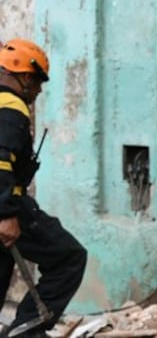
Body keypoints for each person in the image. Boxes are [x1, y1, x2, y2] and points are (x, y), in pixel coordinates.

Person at [0, 39, 87, 335]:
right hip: (7, 205)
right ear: (25, 76)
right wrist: (6, 214)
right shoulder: (12, 106)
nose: (38, 91)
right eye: (38, 82)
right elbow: (0, 160)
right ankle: (27, 328)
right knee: (68, 256)